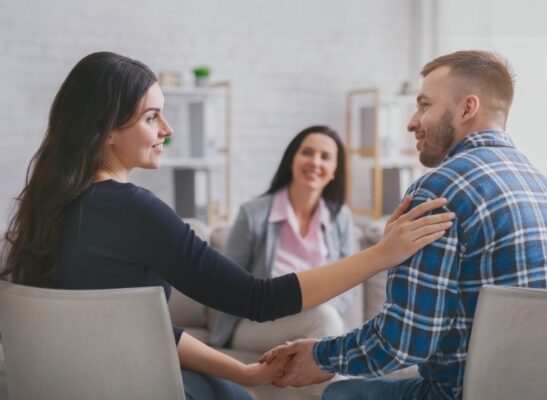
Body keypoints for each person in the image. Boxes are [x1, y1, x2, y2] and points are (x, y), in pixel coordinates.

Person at [0, 52, 455, 400]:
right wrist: (381, 255)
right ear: (107, 131)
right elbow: (257, 299)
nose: (168, 129)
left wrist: (241, 371)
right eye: (151, 116)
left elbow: (143, 329)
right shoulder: (135, 211)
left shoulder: (50, 207)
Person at [261, 50, 547, 400]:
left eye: (425, 105)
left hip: (464, 393)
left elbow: (404, 341)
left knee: (340, 394)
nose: (412, 121)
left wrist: (321, 356)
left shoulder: (438, 191)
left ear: (467, 108)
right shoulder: (546, 189)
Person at [209, 125, 357, 352]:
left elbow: (349, 284)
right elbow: (227, 282)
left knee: (324, 320)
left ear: (335, 170)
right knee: (324, 321)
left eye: (325, 157)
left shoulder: (341, 218)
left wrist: (319, 307)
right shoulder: (253, 214)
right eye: (307, 152)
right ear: (291, 159)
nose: (315, 162)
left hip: (318, 321)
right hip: (256, 324)